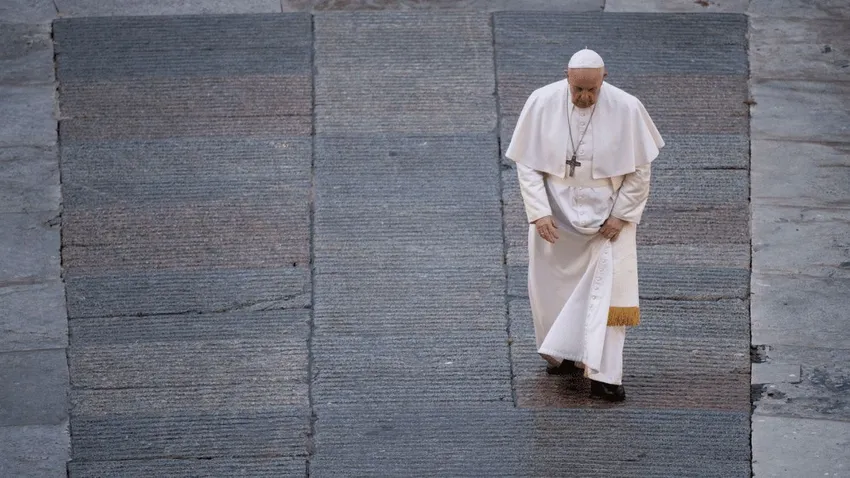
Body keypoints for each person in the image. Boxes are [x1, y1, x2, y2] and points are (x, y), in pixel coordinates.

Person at [505, 49, 664, 402]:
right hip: (556, 215)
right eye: (578, 89)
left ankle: (606, 376)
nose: (585, 97)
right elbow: (527, 164)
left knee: (610, 295)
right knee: (551, 290)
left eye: (592, 90)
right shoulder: (541, 102)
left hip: (608, 218)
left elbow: (640, 170)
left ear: (604, 79)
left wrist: (621, 214)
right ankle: (561, 351)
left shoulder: (627, 108)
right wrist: (539, 212)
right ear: (567, 77)